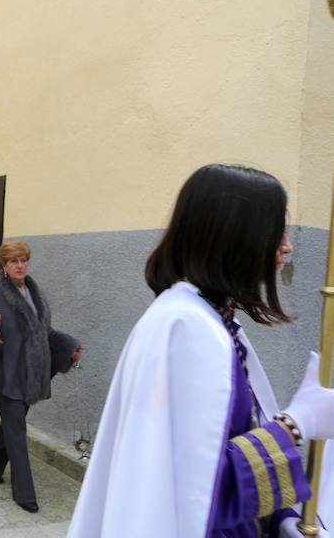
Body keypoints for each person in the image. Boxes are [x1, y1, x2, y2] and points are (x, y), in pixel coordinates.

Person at [67, 164, 334, 538]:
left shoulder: (212, 320)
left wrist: (279, 518)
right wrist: (295, 425)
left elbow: (226, 456)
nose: (287, 246)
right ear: (235, 236)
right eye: (275, 231)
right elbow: (203, 488)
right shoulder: (187, 327)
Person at [0, 241, 81, 513]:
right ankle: (25, 494)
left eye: (23, 260)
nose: (19, 266)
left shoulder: (35, 294)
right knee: (17, 431)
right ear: (4, 266)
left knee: (11, 425)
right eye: (13, 261)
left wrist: (69, 349)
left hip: (31, 376)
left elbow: (46, 333)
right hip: (6, 375)